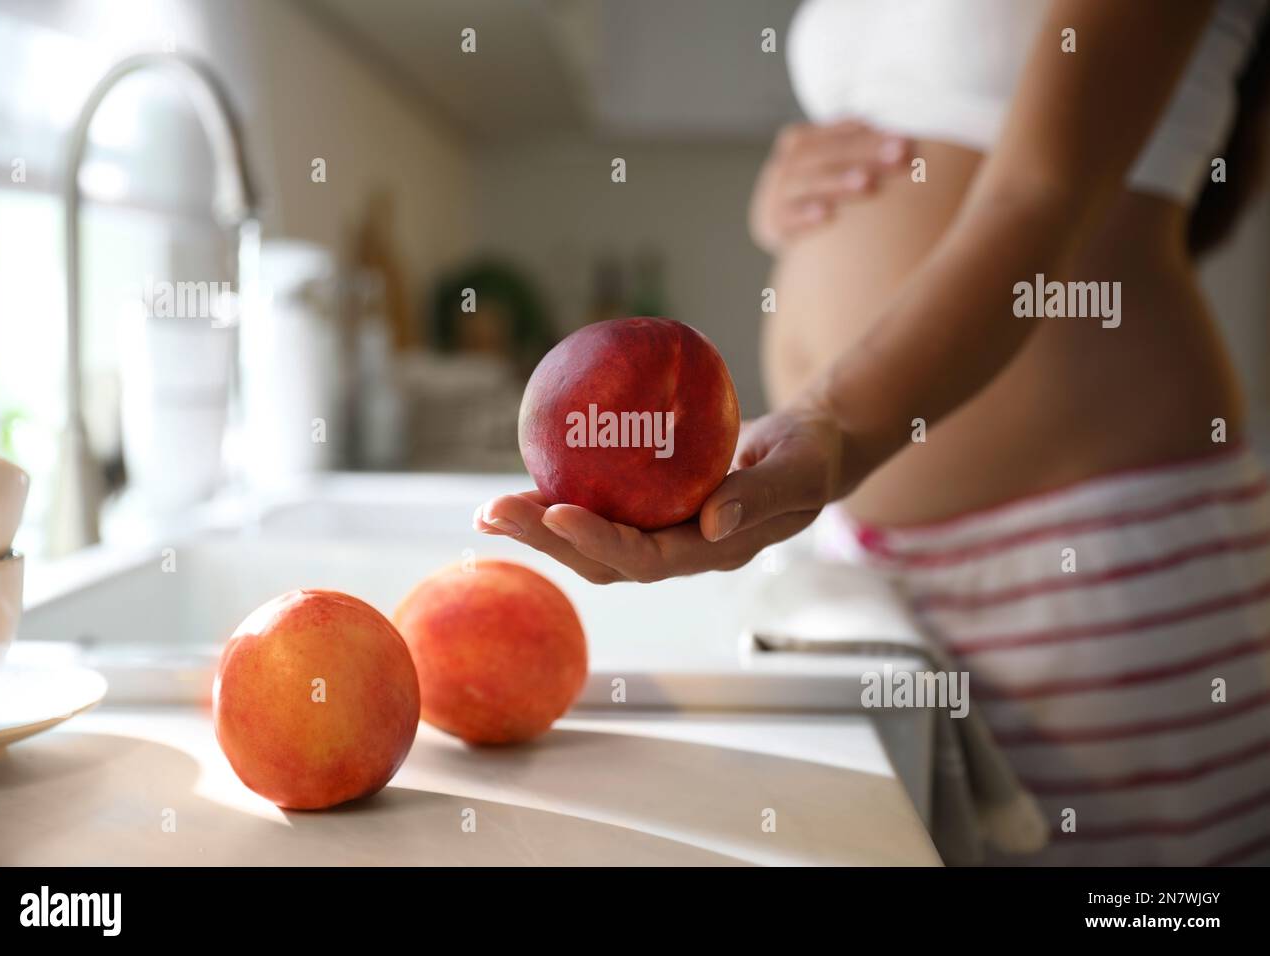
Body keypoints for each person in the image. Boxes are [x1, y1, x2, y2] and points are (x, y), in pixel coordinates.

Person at [478, 0, 1270, 865]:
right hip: (873, 557)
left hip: (1097, 553)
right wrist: (791, 199)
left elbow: (1039, 192)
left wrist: (834, 425)